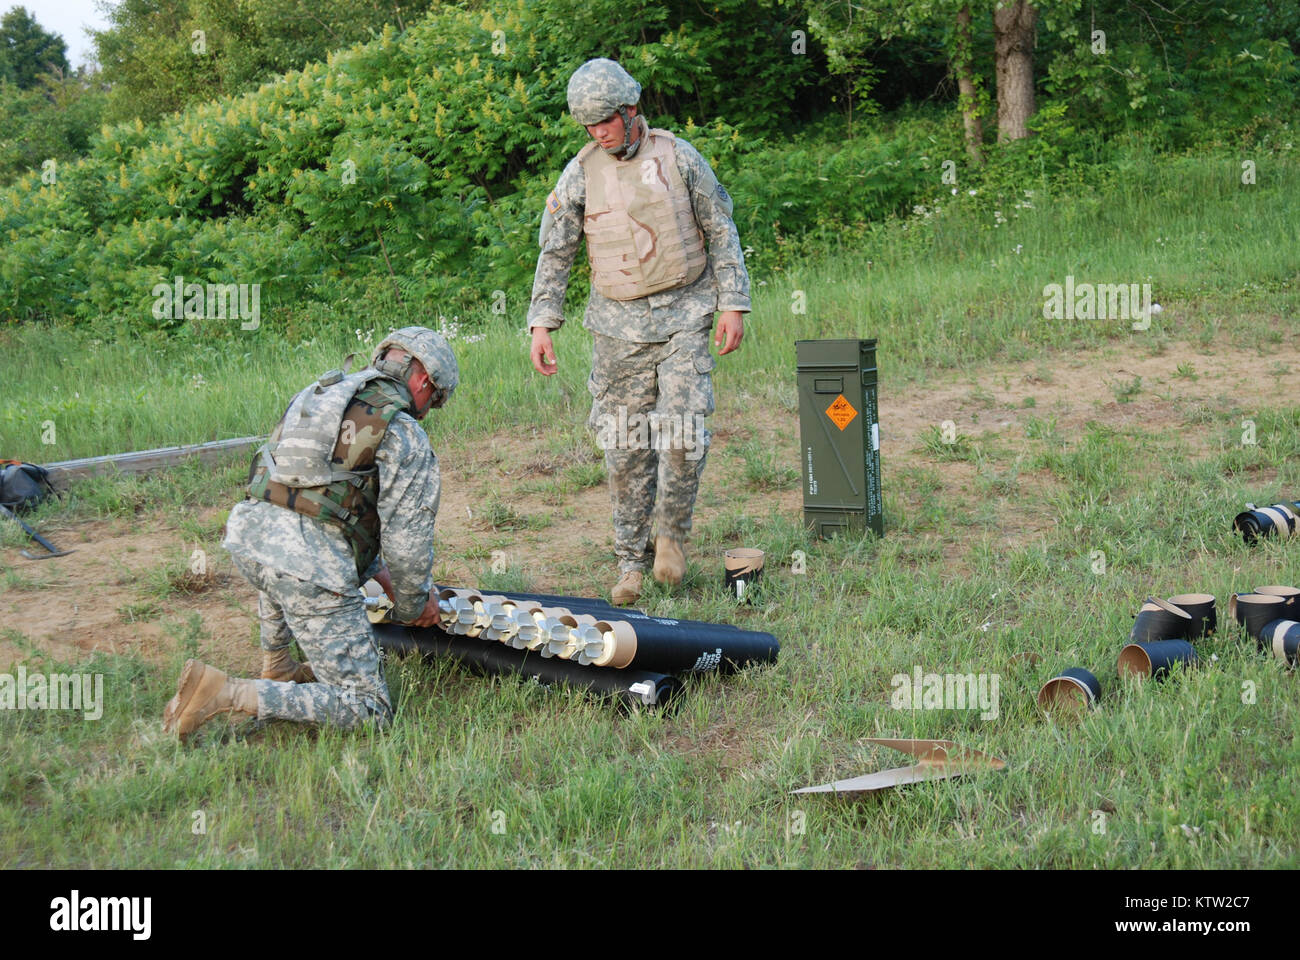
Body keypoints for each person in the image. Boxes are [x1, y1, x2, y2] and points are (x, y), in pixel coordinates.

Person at [526, 58, 751, 606]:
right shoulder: (580, 172)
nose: (597, 133)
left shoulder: (678, 157)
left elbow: (721, 229)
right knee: (625, 446)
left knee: (682, 426)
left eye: (604, 121)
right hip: (617, 330)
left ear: (631, 111)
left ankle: (670, 535)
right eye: (588, 126)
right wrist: (542, 323)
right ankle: (630, 561)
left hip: (685, 313)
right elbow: (556, 250)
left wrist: (734, 303)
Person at [163, 327, 457, 741]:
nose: (426, 412)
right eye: (435, 400)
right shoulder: (403, 431)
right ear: (425, 379)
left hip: (249, 540)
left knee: (282, 550)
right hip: (307, 568)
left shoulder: (323, 395)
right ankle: (227, 693)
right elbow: (408, 544)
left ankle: (278, 663)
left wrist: (377, 572)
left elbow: (318, 498)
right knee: (367, 709)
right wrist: (412, 606)